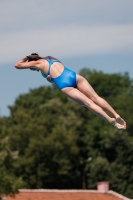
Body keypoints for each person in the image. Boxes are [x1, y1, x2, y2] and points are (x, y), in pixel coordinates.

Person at [15, 53, 126, 129]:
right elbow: (56, 71)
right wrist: (50, 79)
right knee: (96, 98)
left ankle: (110, 120)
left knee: (89, 103)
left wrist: (26, 58)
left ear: (33, 62)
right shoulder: (51, 57)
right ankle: (116, 114)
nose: (35, 70)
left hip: (65, 85)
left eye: (33, 69)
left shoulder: (37, 63)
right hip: (74, 76)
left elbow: (17, 65)